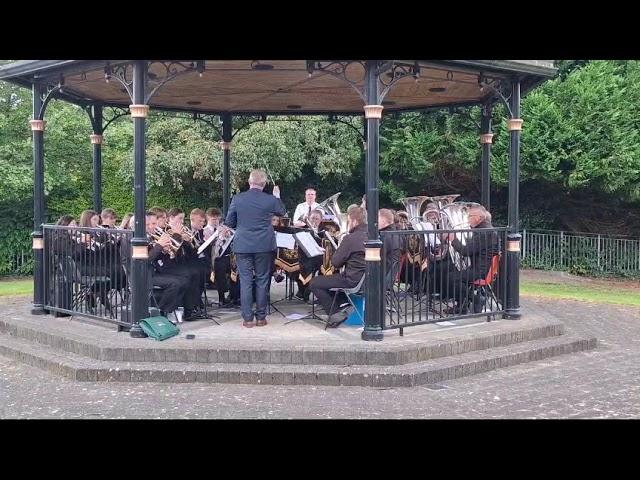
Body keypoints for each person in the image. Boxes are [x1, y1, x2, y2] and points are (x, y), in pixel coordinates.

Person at [223, 169, 286, 327]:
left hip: (242, 244)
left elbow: (229, 222)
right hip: (264, 245)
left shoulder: (238, 199)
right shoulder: (270, 199)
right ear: (264, 184)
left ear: (250, 182)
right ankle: (261, 318)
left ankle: (247, 319)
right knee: (262, 280)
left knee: (245, 281)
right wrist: (277, 195)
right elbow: (282, 212)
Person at [309, 206, 367, 327]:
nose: (349, 224)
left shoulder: (350, 238)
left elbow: (336, 263)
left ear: (355, 221)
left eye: (349, 221)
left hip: (352, 279)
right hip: (367, 279)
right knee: (329, 282)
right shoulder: (373, 236)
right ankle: (344, 305)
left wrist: (340, 248)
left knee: (315, 283)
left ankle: (335, 314)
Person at [442, 205, 499, 314]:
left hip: (480, 271)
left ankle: (472, 300)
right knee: (452, 273)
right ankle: (463, 305)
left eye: (470, 216)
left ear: (480, 218)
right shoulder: (484, 230)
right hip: (481, 268)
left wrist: (453, 240)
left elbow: (466, 251)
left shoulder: (484, 232)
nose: (468, 219)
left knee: (451, 277)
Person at [295, 208, 324, 302]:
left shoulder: (324, 232)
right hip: (305, 257)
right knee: (296, 267)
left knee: (325, 269)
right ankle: (302, 291)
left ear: (321, 220)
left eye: (317, 219)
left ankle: (313, 292)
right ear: (308, 219)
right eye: (312, 218)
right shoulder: (303, 231)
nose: (314, 221)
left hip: (319, 258)